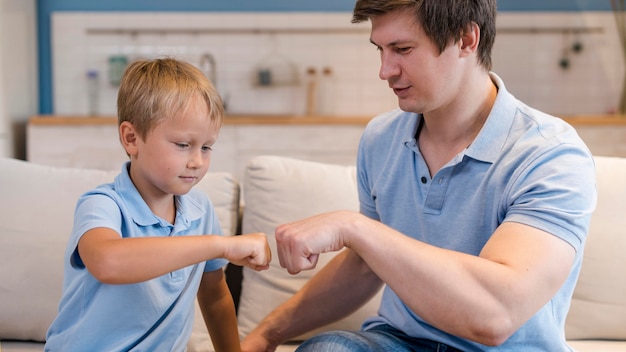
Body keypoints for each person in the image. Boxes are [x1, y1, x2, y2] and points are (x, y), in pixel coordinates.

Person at [241, 1, 597, 351]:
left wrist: (354, 227)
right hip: (397, 342)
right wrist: (266, 336)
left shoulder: (549, 154)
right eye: (380, 49)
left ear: (466, 39)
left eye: (402, 49)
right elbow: (367, 264)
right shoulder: (381, 139)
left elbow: (495, 316)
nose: (385, 70)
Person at [45, 58, 271, 352]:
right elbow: (107, 262)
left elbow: (214, 296)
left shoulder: (200, 210)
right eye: (182, 145)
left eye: (206, 147)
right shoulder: (103, 205)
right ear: (131, 138)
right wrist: (221, 245)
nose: (197, 161)